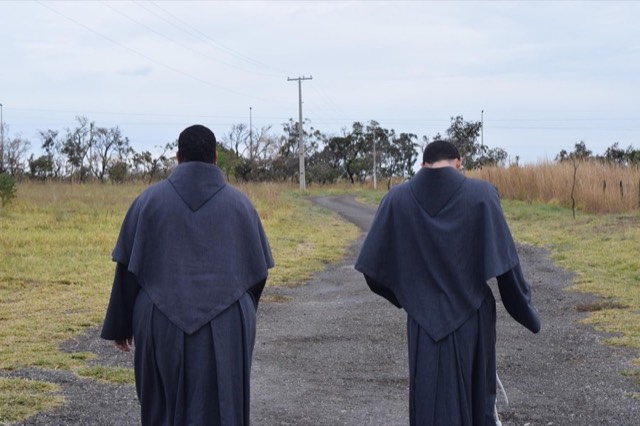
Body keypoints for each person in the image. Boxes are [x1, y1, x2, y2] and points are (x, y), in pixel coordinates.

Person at [355, 140, 541, 426]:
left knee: (428, 404)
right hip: (473, 319)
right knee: (478, 403)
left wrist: (411, 299)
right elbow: (506, 265)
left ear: (422, 164)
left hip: (423, 326)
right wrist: (526, 312)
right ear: (459, 162)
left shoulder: (396, 198)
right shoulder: (482, 195)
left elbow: (372, 270)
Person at [101, 124, 274, 426]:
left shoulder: (147, 201)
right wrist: (238, 316)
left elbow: (127, 270)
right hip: (228, 323)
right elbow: (256, 275)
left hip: (159, 322)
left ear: (177, 157)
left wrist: (121, 324)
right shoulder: (241, 205)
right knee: (225, 409)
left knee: (161, 410)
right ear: (216, 157)